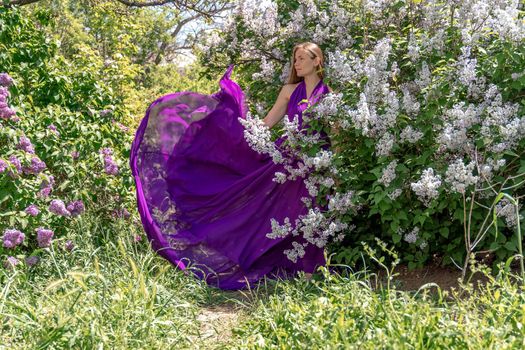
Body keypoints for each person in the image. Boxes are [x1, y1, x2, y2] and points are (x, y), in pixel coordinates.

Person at [129, 42, 332, 290]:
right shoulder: (290, 90)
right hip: (289, 161)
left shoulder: (329, 96)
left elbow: (336, 133)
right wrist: (232, 123)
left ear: (316, 61)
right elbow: (267, 124)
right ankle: (263, 262)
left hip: (318, 161)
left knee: (312, 212)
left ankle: (311, 272)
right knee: (284, 213)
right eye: (295, 59)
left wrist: (337, 168)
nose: (296, 63)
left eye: (301, 58)